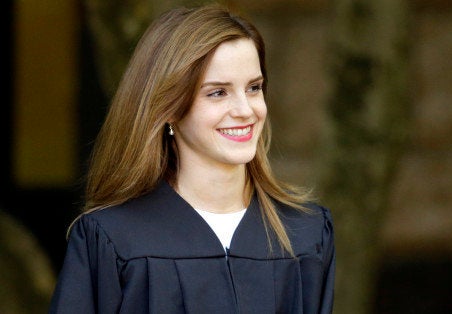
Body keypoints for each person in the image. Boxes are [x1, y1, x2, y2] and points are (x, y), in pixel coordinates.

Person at [48, 3, 335, 313]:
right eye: (217, 92)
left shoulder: (306, 235)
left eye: (254, 88)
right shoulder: (112, 240)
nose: (245, 110)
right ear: (169, 107)